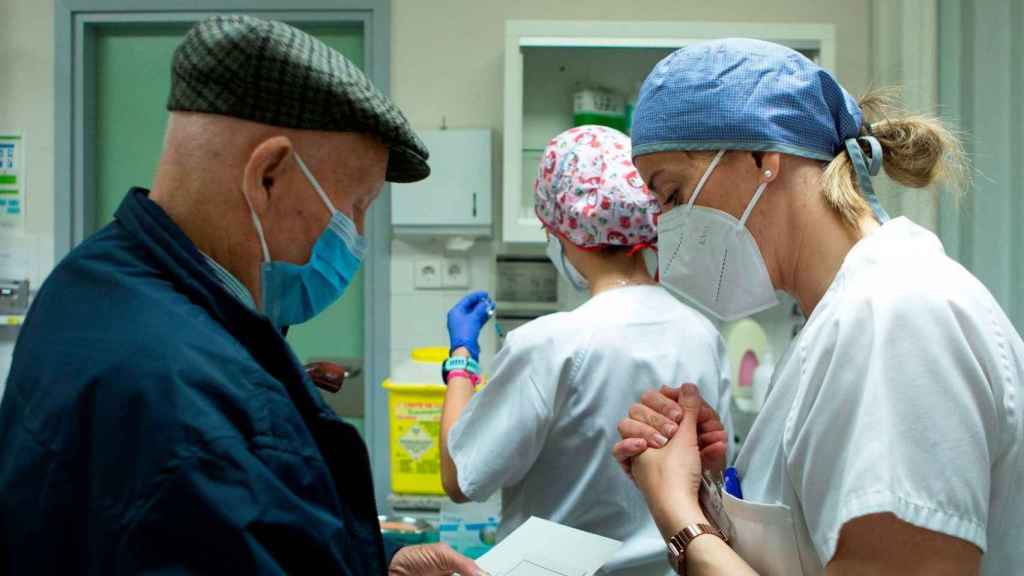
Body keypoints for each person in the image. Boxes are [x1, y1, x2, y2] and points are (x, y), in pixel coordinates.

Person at [0, 16, 483, 576]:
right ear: (269, 176)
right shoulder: (204, 409)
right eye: (355, 205)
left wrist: (375, 564)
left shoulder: (88, 282)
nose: (354, 236)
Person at [612, 38, 1023, 575]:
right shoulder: (838, 318)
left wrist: (681, 518)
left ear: (762, 157)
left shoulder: (895, 317)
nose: (668, 228)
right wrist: (714, 493)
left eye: (672, 194)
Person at [439, 126, 733, 575]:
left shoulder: (548, 343)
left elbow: (460, 478)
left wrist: (461, 358)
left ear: (564, 231)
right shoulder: (702, 332)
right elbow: (715, 476)